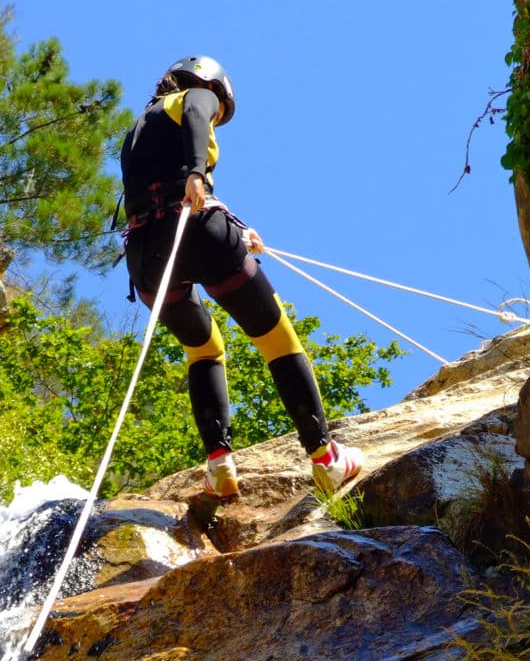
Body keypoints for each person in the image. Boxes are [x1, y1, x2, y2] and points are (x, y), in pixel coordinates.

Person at [119, 54, 364, 498]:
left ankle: (219, 464)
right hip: (196, 231)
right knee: (276, 337)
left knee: (205, 349)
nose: (214, 113)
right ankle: (326, 459)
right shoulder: (193, 96)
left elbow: (158, 191)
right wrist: (197, 171)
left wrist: (236, 225)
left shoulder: (136, 131)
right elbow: (195, 117)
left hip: (146, 260)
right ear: (209, 84)